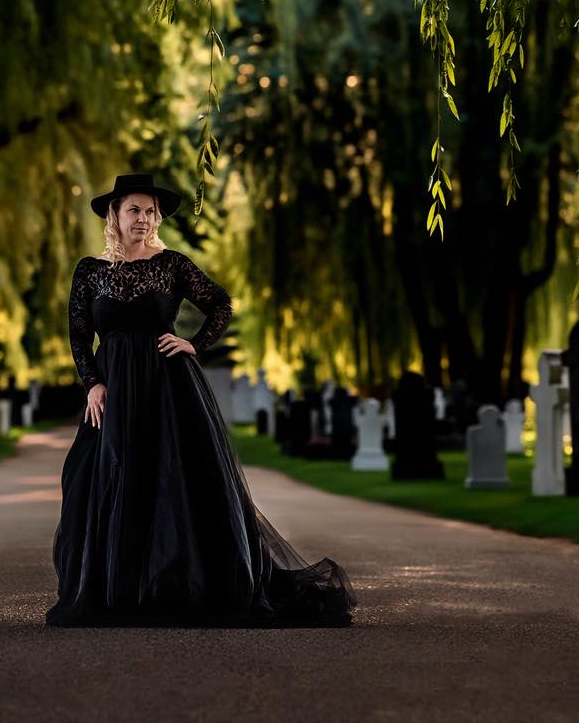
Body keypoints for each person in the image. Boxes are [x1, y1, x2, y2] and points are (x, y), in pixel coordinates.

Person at [44, 172, 357, 627]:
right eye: (134, 209)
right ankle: (117, 591)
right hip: (112, 390)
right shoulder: (89, 271)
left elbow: (221, 303)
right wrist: (92, 381)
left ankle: (178, 586)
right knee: (101, 478)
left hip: (168, 390)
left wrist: (194, 343)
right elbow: (78, 334)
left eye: (151, 211)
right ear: (114, 214)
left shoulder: (172, 263)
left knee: (175, 481)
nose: (144, 219)